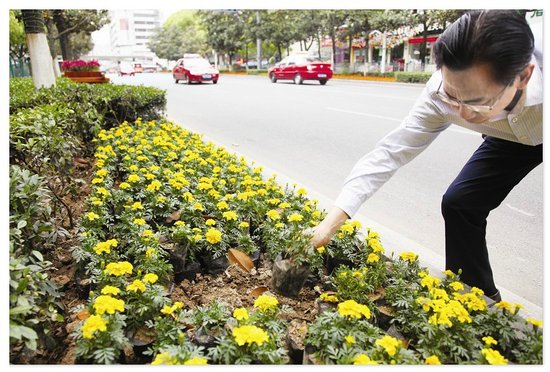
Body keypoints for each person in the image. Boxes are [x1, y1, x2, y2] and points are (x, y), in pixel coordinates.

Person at [310, 10, 542, 303]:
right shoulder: (438, 95)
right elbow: (388, 154)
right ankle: (474, 298)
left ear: (523, 77)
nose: (463, 113)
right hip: (508, 138)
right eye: (452, 95)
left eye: (478, 103)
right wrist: (329, 224)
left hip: (537, 123)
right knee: (460, 204)